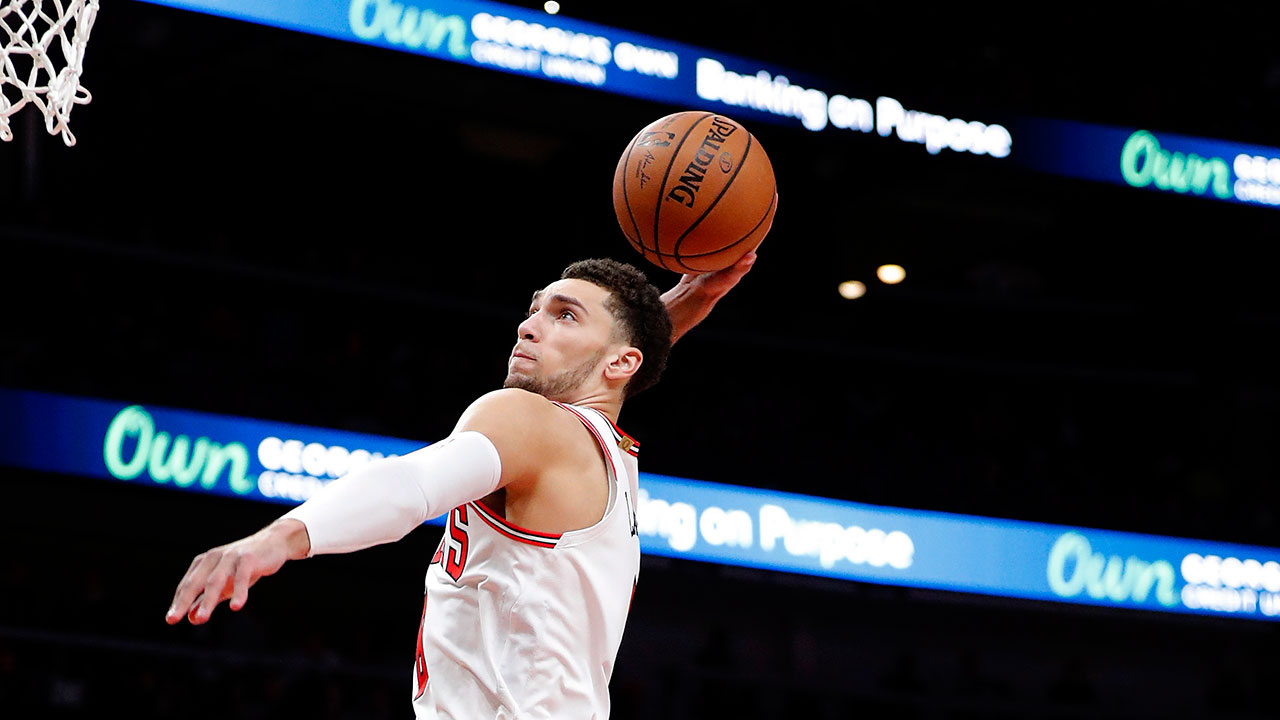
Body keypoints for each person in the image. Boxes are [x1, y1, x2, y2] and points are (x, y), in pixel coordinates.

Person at [165, 253, 758, 719]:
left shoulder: (531, 420)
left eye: (564, 315)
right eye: (535, 309)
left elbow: (412, 483)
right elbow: (615, 360)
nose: (528, 325)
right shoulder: (597, 450)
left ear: (621, 362)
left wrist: (281, 537)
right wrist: (689, 300)